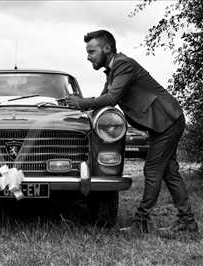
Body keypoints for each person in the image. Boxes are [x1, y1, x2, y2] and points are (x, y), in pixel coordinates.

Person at [65, 30, 198, 234]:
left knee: (152, 170)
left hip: (167, 120)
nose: (88, 56)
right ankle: (187, 222)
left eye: (91, 51)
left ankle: (141, 221)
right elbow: (102, 99)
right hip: (163, 122)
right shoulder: (113, 70)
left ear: (107, 48)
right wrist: (77, 108)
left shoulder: (123, 64)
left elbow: (111, 99)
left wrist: (81, 103)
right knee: (170, 172)